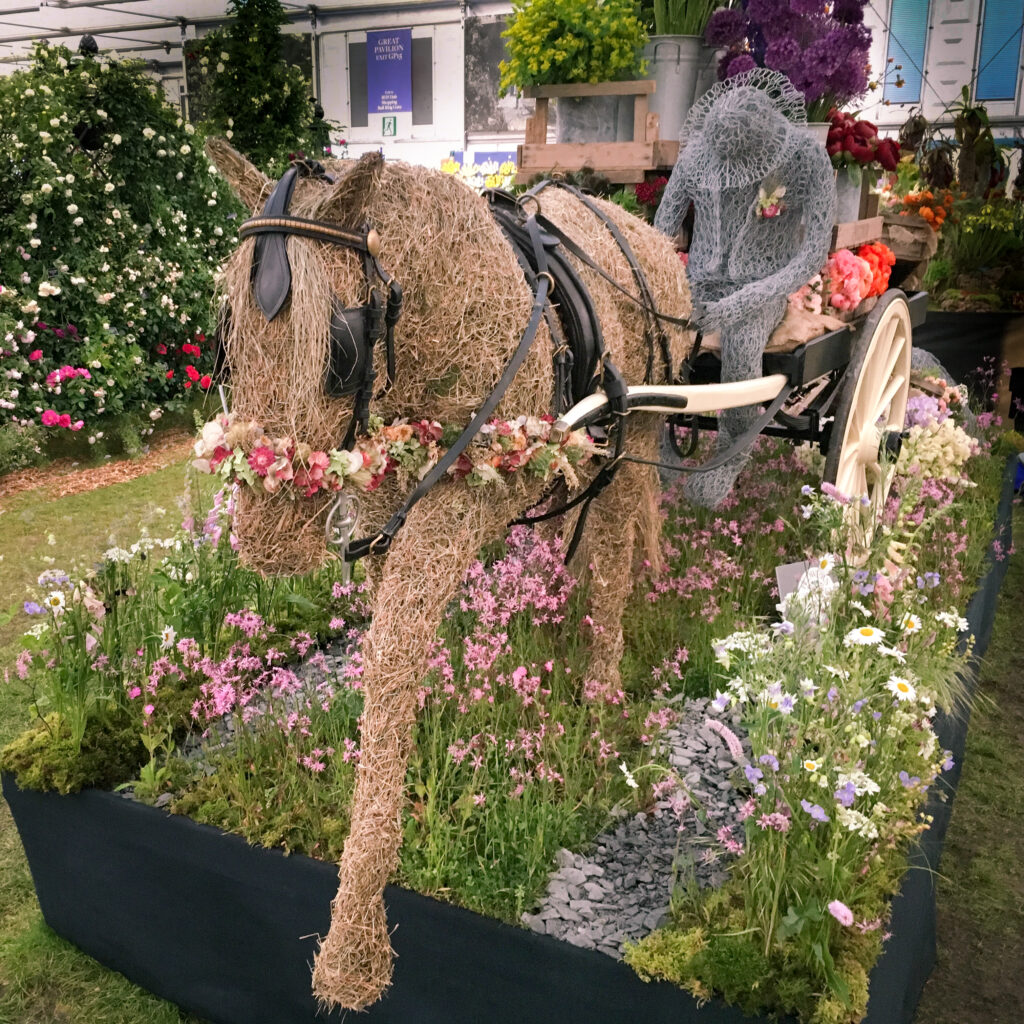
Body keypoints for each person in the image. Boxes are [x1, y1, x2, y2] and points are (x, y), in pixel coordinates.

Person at [655, 69, 836, 506]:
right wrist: (662, 283)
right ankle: (656, 438)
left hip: (762, 288)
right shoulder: (697, 155)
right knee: (654, 330)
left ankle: (731, 450)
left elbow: (812, 253)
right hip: (697, 282)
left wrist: (747, 298)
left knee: (742, 340)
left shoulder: (807, 160)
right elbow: (663, 227)